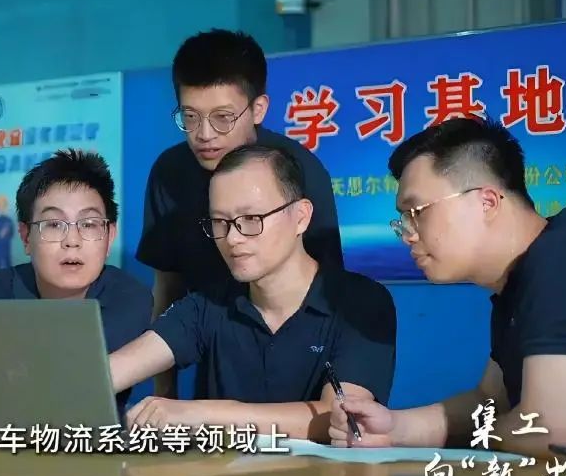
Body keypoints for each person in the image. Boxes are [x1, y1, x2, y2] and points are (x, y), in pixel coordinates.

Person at [329, 117, 566, 455]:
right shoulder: (520, 280)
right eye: (403, 220)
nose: (408, 235)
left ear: (487, 202)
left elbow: (549, 432)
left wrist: (473, 440)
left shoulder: (565, 263)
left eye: (417, 212)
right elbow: (490, 399)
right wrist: (394, 428)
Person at [109, 144, 396, 439]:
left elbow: (340, 420)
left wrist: (201, 414)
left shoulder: (361, 304)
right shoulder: (208, 305)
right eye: (220, 222)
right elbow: (110, 373)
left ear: (301, 216)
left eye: (250, 219)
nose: (232, 238)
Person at [136, 28, 344, 398]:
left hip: (298, 368)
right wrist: (164, 393)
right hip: (213, 361)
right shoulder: (169, 174)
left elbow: (328, 291)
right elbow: (167, 288)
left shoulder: (300, 173)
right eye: (190, 117)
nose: (204, 134)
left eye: (223, 117)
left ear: (258, 109)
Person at [0, 149, 152, 419]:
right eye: (54, 224)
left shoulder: (129, 298)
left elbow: (72, 383)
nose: (72, 241)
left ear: (109, 235)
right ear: (25, 237)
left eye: (89, 224)